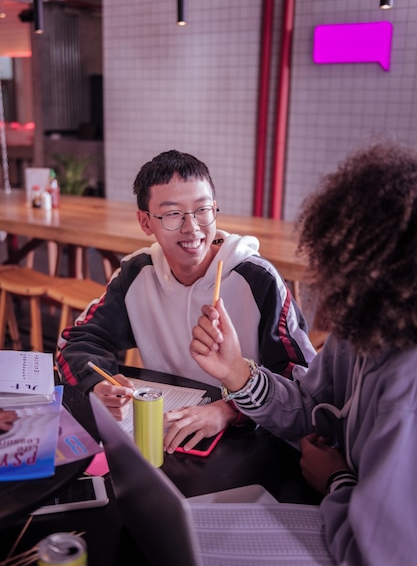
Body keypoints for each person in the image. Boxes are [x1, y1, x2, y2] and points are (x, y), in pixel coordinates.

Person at [189, 141, 417, 566]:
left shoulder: (406, 385)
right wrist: (238, 373)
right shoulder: (363, 329)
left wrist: (337, 482)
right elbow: (311, 407)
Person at [56, 150, 315, 450]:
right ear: (145, 222)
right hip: (169, 431)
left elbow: (300, 384)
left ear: (215, 208)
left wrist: (230, 410)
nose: (192, 227)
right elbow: (78, 341)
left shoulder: (258, 279)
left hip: (252, 438)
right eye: (172, 214)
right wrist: (97, 384)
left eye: (202, 210)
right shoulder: (137, 273)